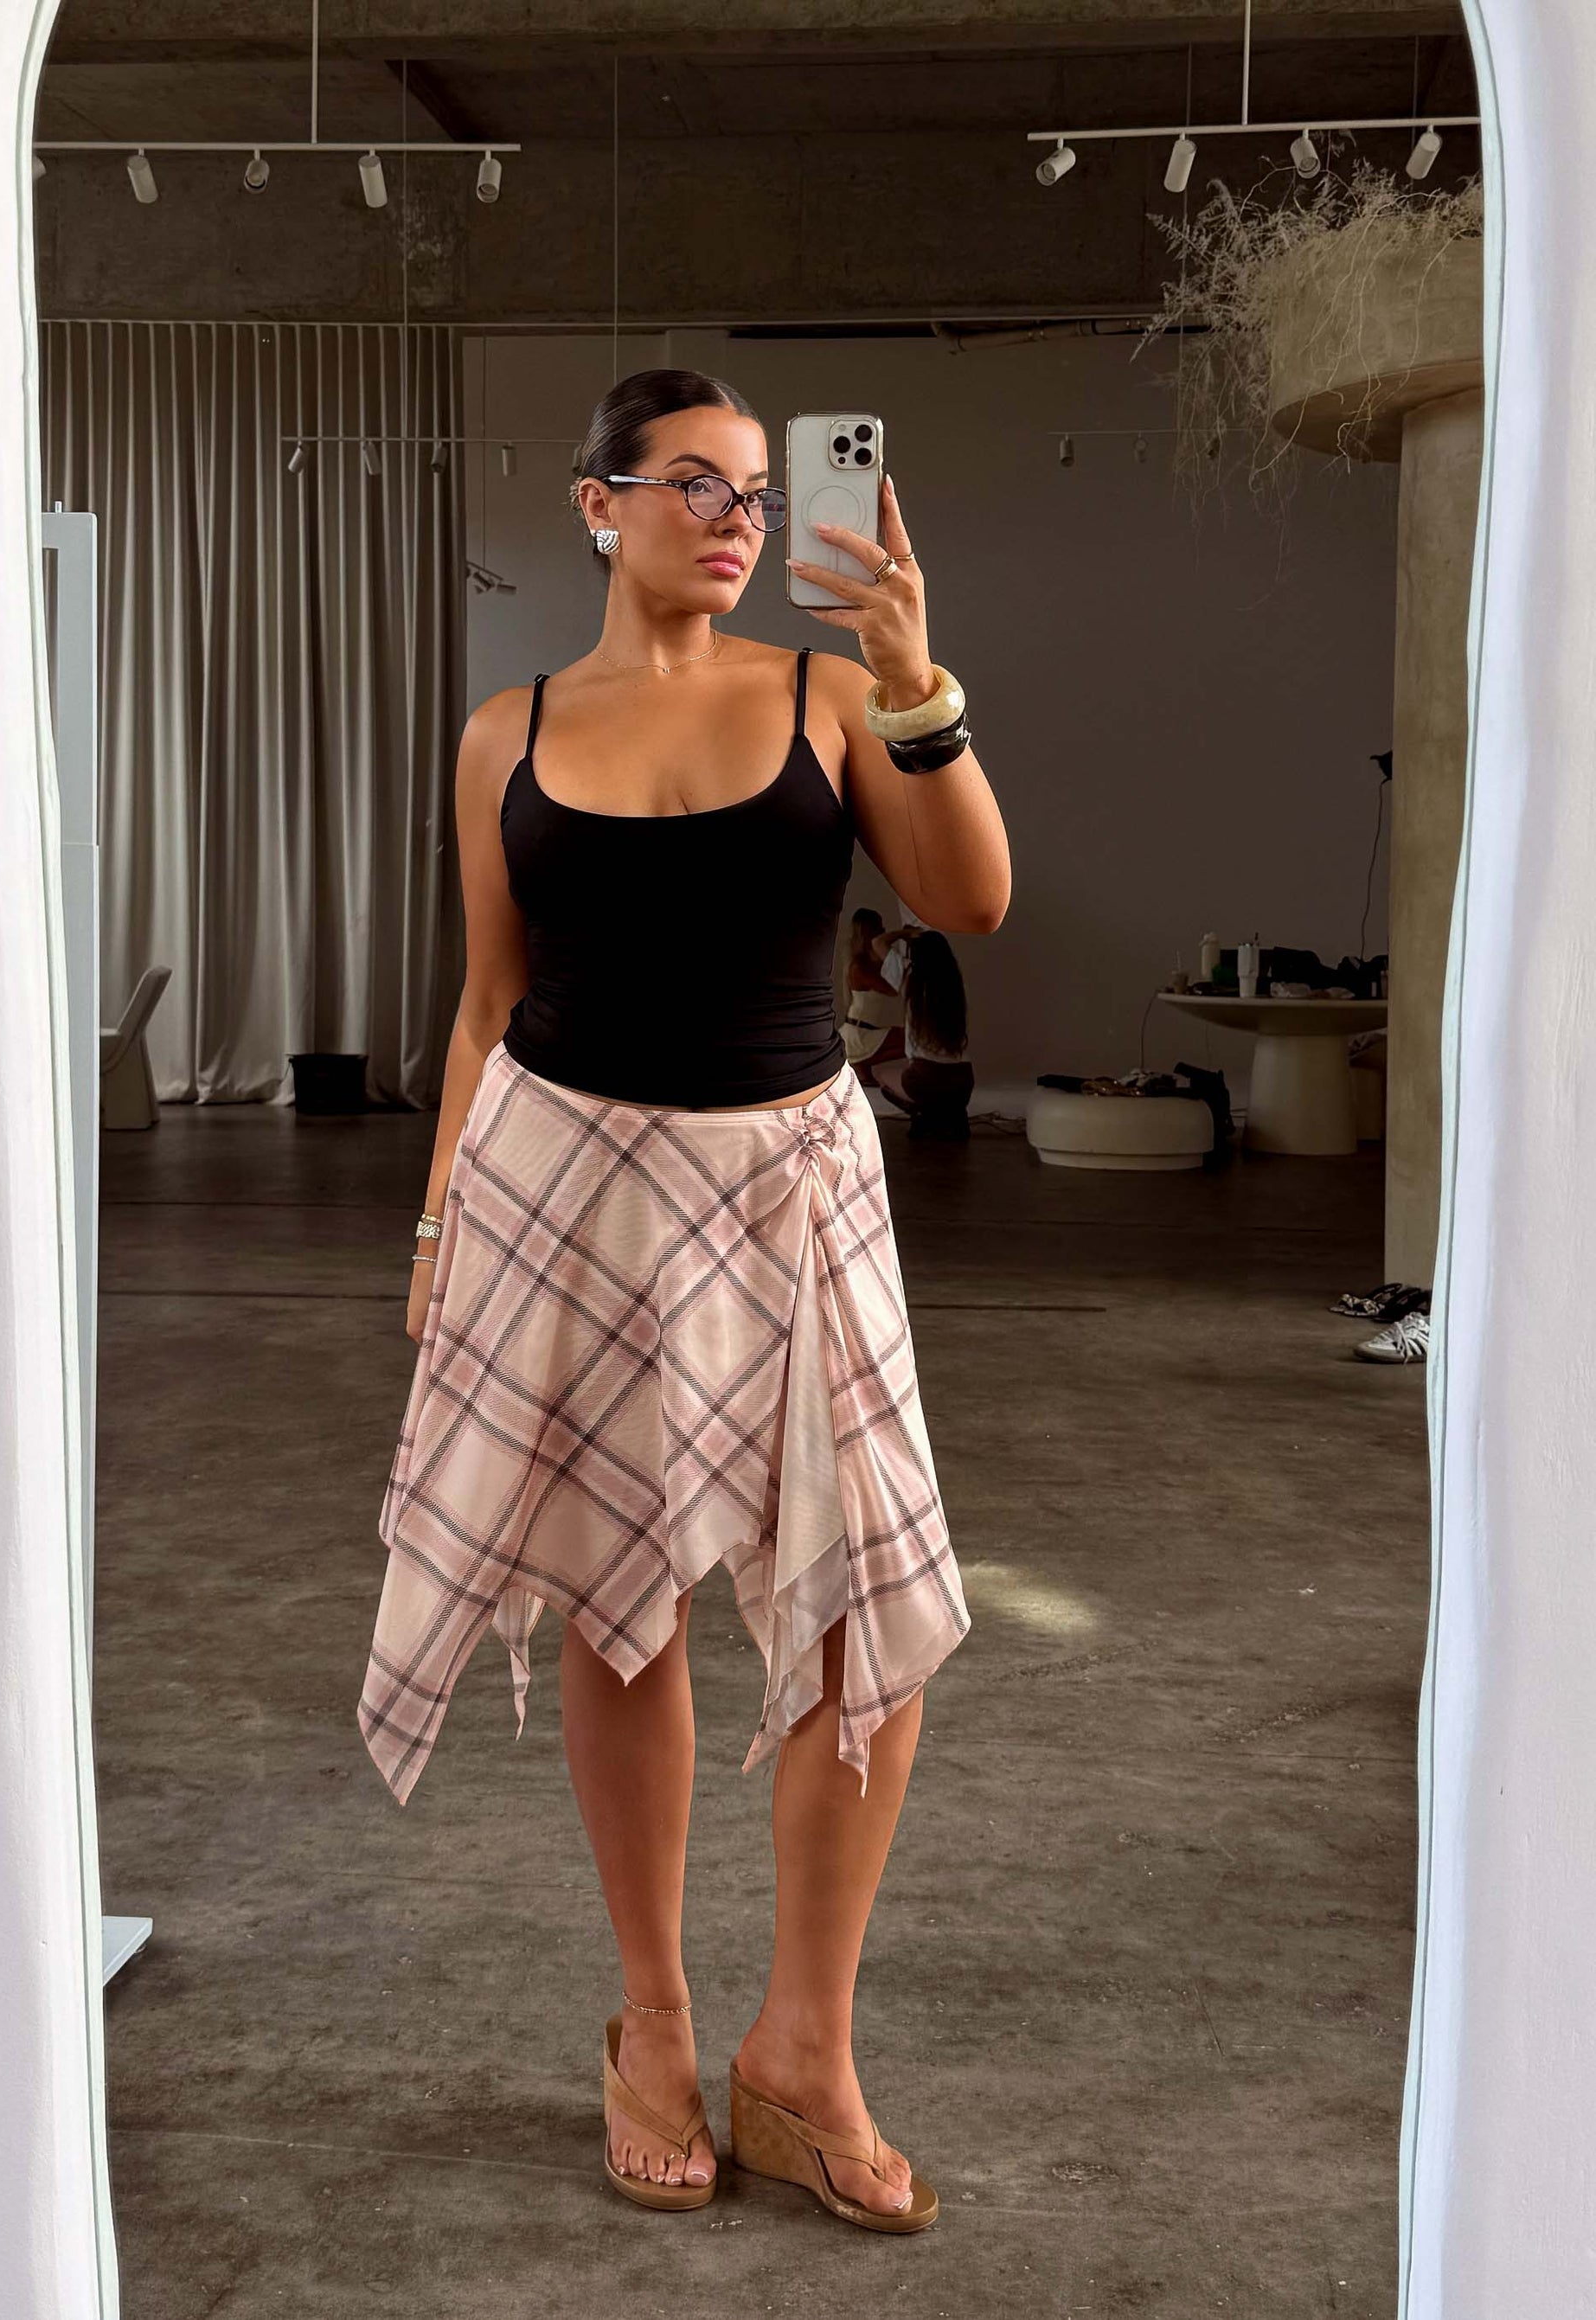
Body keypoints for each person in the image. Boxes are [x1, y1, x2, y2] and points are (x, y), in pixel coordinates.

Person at [357, 369, 1010, 2232]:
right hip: (563, 1187)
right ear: (599, 503)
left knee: (863, 1612)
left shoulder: (828, 696)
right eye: (697, 486)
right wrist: (437, 1230)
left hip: (794, 1183)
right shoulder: (507, 732)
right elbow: (488, 1003)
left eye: (757, 493)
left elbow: (970, 898)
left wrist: (917, 680)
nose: (737, 520)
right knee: (619, 1603)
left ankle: (804, 2049)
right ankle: (652, 2023)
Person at [873, 930, 975, 1137]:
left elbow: (878, 943)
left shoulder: (910, 979)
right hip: (963, 1082)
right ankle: (951, 1117)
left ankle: (926, 1117)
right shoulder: (955, 985)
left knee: (879, 1075)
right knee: (917, 1076)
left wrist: (905, 933)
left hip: (926, 1079)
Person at [839, 907, 911, 1078]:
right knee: (911, 1040)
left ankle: (861, 1063)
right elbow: (893, 989)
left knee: (910, 1040)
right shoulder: (859, 967)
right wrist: (896, 936)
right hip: (859, 1033)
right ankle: (860, 1062)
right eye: (880, 929)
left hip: (863, 1030)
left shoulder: (868, 963)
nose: (883, 931)